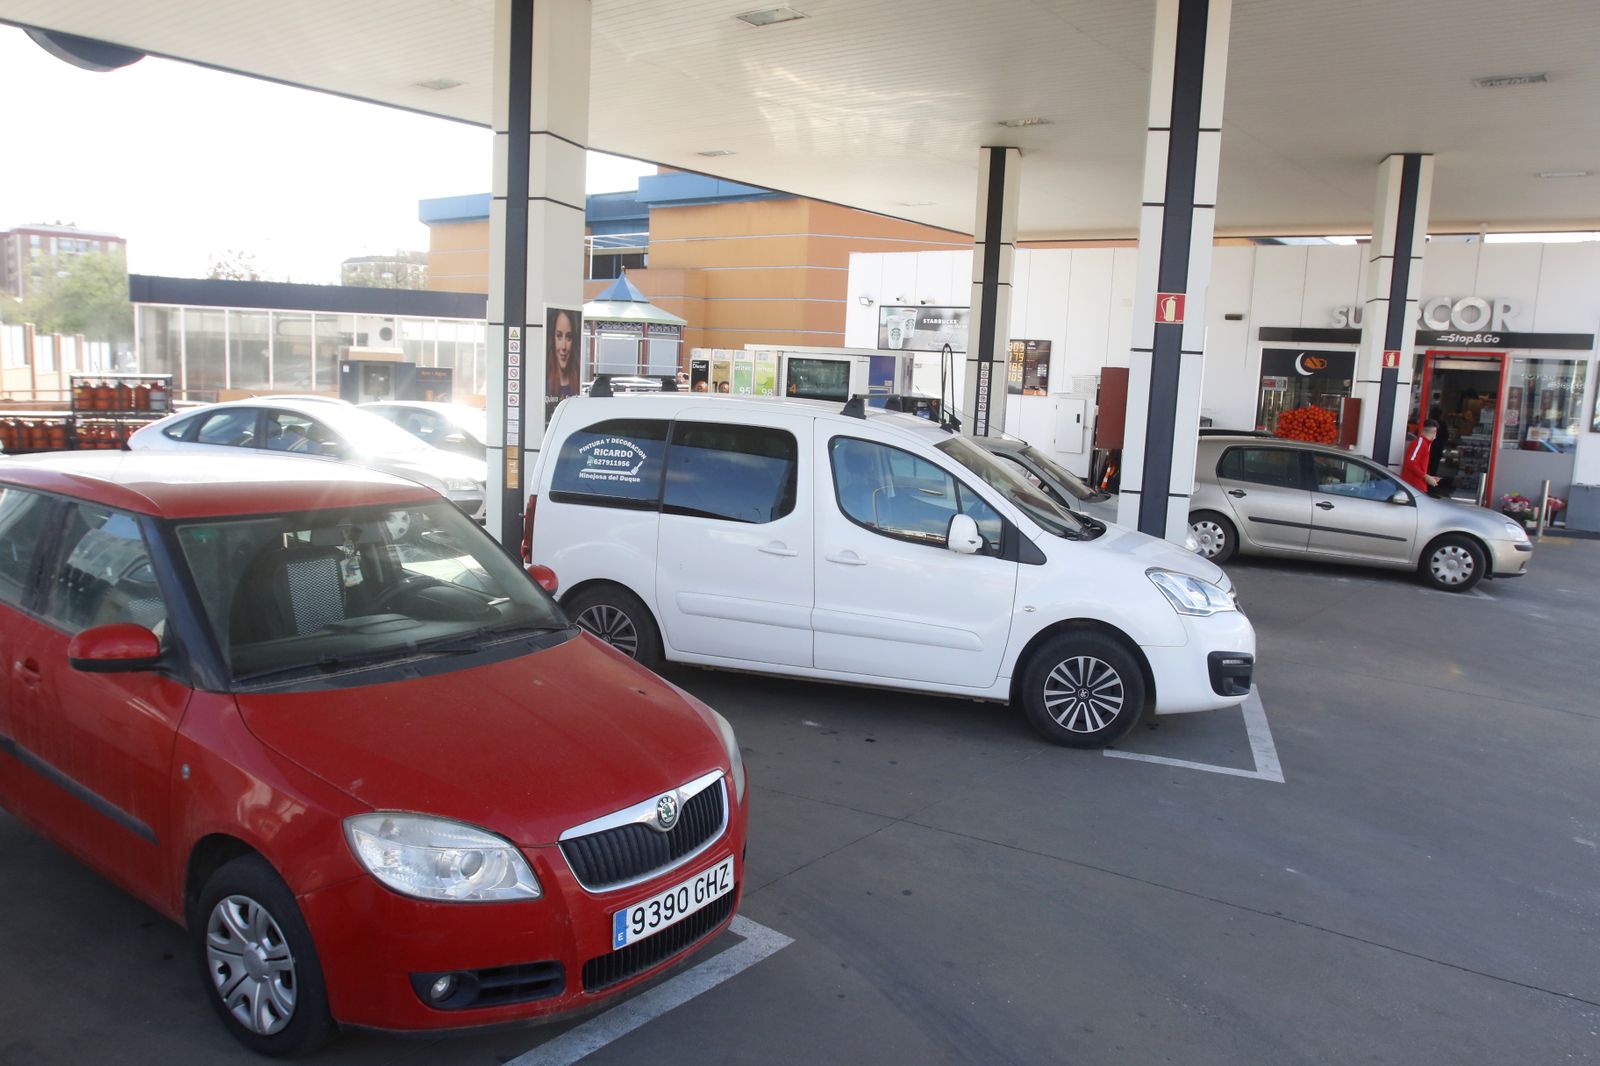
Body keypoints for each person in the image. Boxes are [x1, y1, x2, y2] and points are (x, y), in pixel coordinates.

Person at [545, 309, 579, 415]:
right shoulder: (545, 386)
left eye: (568, 337)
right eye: (559, 336)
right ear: (553, 339)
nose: (563, 346)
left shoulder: (578, 386)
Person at [1402, 419, 1440, 494]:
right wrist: (1425, 476)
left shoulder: (1424, 443)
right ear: (1434, 433)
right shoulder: (1421, 443)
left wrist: (1427, 477)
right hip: (1414, 486)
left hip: (1416, 486)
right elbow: (1410, 462)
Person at [1425, 406, 1452, 497]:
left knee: (1426, 467)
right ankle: (1430, 486)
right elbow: (1446, 436)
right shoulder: (1441, 424)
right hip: (1436, 449)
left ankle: (1427, 485)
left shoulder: (1429, 423)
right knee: (1432, 469)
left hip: (1432, 449)